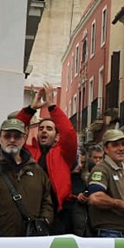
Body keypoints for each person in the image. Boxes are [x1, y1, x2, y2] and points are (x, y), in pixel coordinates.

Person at [16, 82, 79, 235]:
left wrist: (52, 107)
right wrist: (31, 109)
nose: (44, 131)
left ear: (57, 136)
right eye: (41, 128)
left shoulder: (64, 154)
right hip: (31, 212)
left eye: (49, 129)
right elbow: (15, 130)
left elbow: (69, 133)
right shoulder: (27, 153)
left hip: (59, 214)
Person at [0, 118, 54, 237]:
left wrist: (44, 221)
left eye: (17, 136)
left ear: (24, 138)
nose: (12, 140)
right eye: (7, 136)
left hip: (30, 242)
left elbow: (47, 202)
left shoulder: (38, 171)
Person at [86, 129, 124, 238]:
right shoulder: (101, 169)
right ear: (106, 148)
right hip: (110, 232)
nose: (121, 148)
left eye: (123, 144)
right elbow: (95, 198)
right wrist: (121, 204)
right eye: (115, 145)